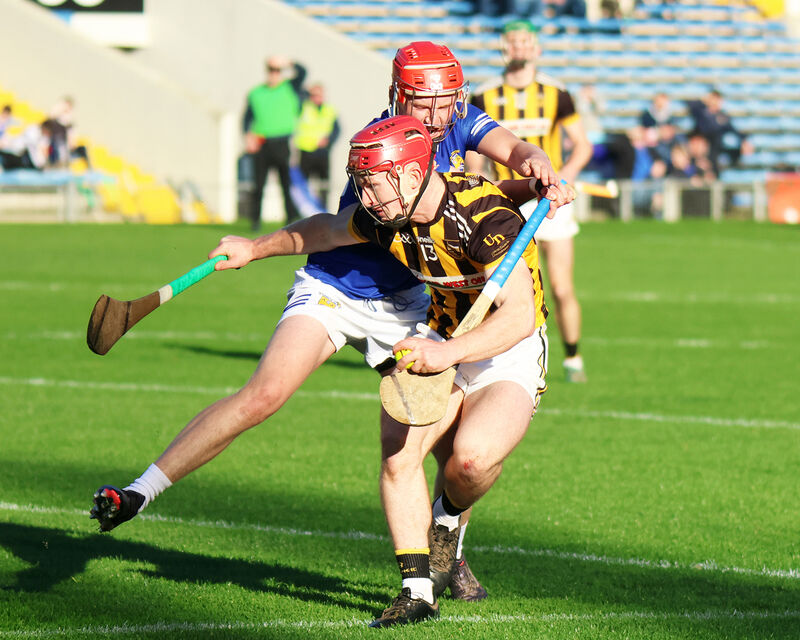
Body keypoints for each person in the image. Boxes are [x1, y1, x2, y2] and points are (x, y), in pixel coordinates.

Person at [89, 41, 562, 608]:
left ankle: (448, 549)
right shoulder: (384, 150)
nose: (434, 114)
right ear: (396, 95)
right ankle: (139, 492)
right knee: (267, 394)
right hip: (339, 285)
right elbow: (338, 226)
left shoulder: (456, 125)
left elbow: (496, 168)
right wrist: (256, 247)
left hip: (414, 302)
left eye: (444, 101)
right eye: (421, 100)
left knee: (455, 452)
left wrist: (535, 171)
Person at [203, 115, 572, 626]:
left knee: (469, 463)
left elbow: (517, 315)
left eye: (372, 186)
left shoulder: (485, 215)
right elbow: (325, 230)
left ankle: (446, 518)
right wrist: (254, 247)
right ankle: (417, 591)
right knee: (400, 456)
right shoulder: (385, 213)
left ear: (406, 174)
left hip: (505, 350)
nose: (368, 200)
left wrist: (449, 354)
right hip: (441, 335)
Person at [468, 19, 593, 383]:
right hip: (505, 204)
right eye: (514, 41)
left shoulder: (557, 93)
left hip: (552, 204)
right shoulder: (485, 96)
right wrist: (485, 187)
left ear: (537, 49)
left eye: (527, 41)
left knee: (561, 285)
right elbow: (476, 160)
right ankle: (493, 359)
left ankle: (573, 358)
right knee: (497, 287)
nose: (520, 47)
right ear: (503, 48)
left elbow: (581, 146)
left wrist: (560, 180)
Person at [244, 56, 305, 230]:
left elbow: (303, 71)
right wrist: (247, 136)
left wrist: (287, 62)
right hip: (262, 142)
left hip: (282, 142)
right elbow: (247, 118)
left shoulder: (289, 87)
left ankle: (291, 219)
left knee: (286, 183)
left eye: (277, 71)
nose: (274, 74)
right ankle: (255, 221)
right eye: (271, 70)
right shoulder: (256, 93)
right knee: (258, 184)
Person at [685, 89, 754, 176]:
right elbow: (690, 104)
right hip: (699, 148)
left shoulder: (722, 117)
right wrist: (703, 100)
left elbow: (734, 131)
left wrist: (745, 140)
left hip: (715, 150)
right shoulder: (701, 112)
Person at [294, 82, 340, 209]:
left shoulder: (329, 110)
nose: (316, 97)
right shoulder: (303, 107)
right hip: (306, 151)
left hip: (322, 152)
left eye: (318, 94)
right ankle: (303, 210)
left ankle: (323, 209)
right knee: (303, 184)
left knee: (324, 184)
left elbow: (337, 129)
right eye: (313, 95)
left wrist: (329, 140)